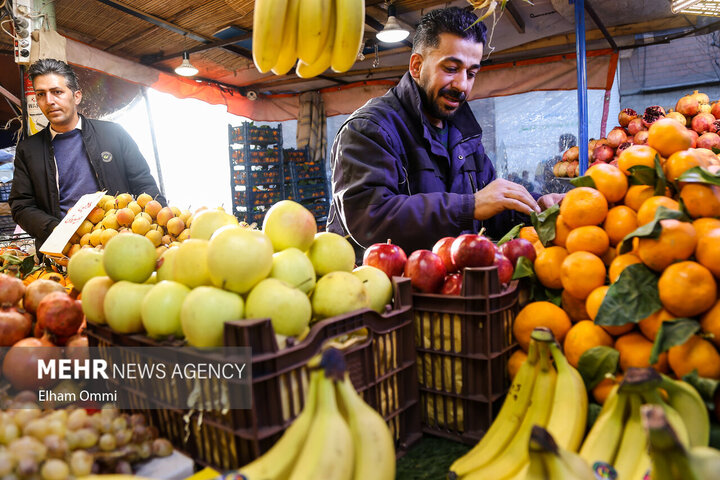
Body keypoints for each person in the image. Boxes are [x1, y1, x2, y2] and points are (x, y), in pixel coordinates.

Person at [327, 7, 562, 258]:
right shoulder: (369, 129)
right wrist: (469, 206)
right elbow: (369, 219)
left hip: (448, 285)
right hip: (382, 289)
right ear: (417, 66)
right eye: (451, 68)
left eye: (471, 73)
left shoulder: (464, 135)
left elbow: (491, 209)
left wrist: (538, 206)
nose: (462, 85)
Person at [10, 59, 165, 247]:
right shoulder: (29, 150)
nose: (49, 101)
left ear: (76, 96)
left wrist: (158, 230)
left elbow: (145, 185)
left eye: (57, 92)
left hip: (120, 242)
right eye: (41, 94)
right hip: (65, 249)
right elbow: (21, 205)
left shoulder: (113, 134)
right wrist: (57, 230)